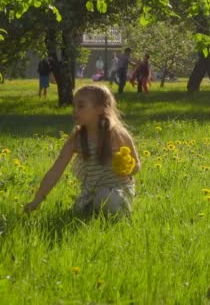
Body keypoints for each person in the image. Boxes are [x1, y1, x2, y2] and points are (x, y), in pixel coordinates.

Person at [24, 84, 140, 217]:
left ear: (100, 109)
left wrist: (126, 166)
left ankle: (119, 211)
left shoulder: (117, 134)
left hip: (119, 190)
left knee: (106, 199)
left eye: (81, 106)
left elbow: (137, 166)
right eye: (74, 106)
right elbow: (56, 170)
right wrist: (37, 200)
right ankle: (93, 208)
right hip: (91, 192)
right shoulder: (77, 138)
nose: (74, 110)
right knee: (85, 210)